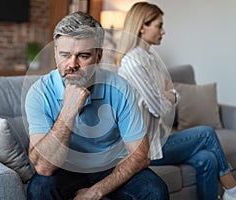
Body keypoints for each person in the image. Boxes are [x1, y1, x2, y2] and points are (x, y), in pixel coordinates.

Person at [25, 11, 169, 200]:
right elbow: (44, 167)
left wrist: (95, 192)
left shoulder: (119, 88)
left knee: (155, 190)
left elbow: (140, 155)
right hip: (64, 168)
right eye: (64, 55)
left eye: (83, 56)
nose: (72, 64)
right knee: (39, 189)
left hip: (109, 166)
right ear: (55, 53)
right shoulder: (39, 92)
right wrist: (68, 111)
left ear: (98, 56)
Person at [116, 2, 236, 200]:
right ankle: (235, 192)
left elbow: (170, 95)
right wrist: (168, 95)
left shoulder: (150, 57)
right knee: (206, 133)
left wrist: (169, 95)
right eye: (159, 26)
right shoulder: (133, 62)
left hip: (160, 137)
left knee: (208, 159)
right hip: (146, 147)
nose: (164, 31)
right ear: (142, 27)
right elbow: (158, 108)